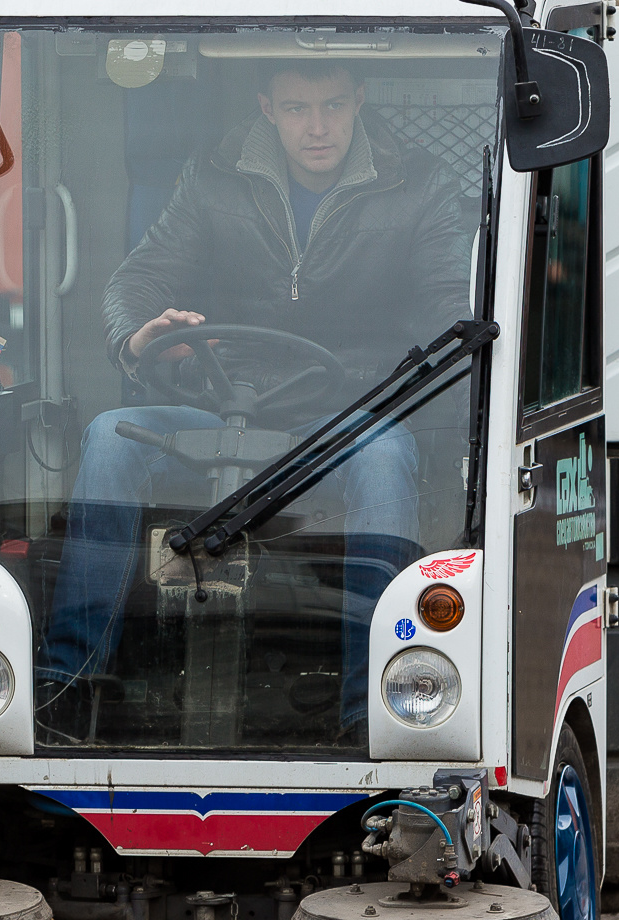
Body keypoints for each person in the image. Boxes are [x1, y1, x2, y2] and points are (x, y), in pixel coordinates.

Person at [41, 58, 472, 740]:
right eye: (299, 108)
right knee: (110, 437)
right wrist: (138, 336)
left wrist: (400, 382)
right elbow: (138, 280)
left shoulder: (418, 187)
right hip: (221, 405)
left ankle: (377, 707)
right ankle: (68, 686)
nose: (318, 126)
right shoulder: (213, 178)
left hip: (344, 421)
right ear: (268, 109)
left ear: (359, 97)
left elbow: (452, 307)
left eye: (333, 104)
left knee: (385, 454)